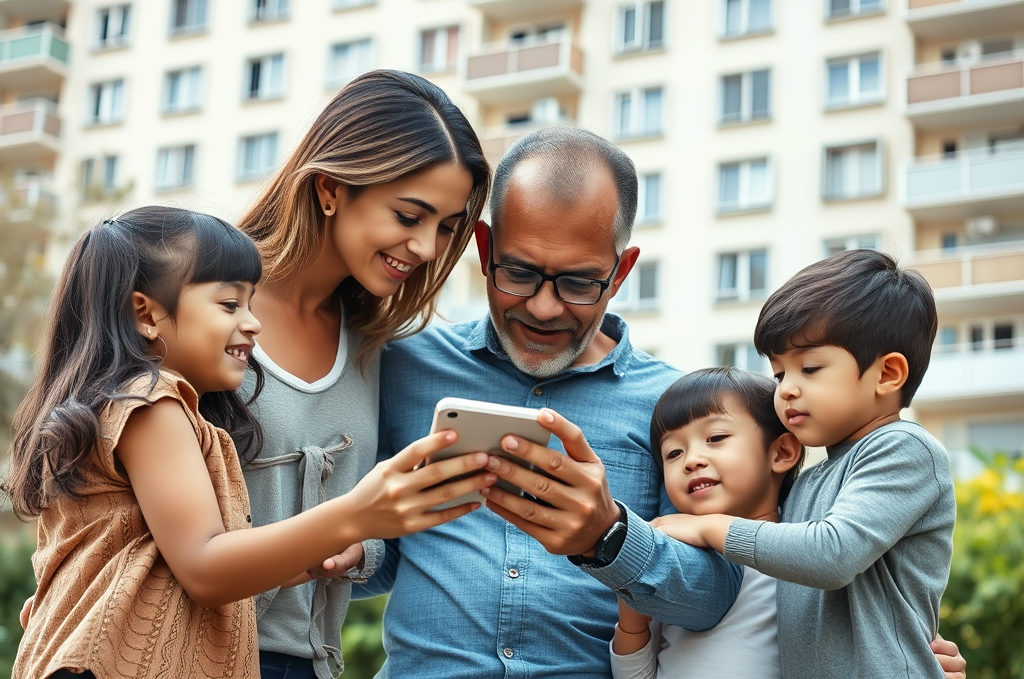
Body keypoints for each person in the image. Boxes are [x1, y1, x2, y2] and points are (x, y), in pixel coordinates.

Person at [359, 126, 968, 679]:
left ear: (621, 272)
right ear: (484, 247)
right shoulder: (405, 365)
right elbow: (387, 558)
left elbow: (717, 598)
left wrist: (609, 537)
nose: (543, 306)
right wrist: (357, 549)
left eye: (576, 282)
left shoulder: (680, 415)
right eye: (518, 272)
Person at [3, 206, 494, 679]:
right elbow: (206, 570)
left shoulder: (137, 407)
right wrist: (356, 514)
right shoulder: (153, 405)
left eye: (252, 302)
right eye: (229, 303)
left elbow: (193, 568)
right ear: (145, 313)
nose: (253, 321)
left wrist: (334, 548)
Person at [235, 69, 493, 678]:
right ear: (330, 188)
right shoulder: (207, 302)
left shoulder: (373, 345)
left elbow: (353, 530)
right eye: (409, 216)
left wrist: (361, 548)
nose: (428, 247)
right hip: (187, 656)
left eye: (447, 227)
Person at [653, 249, 956, 679]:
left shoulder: (904, 449)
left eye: (809, 368)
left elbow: (831, 554)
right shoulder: (812, 480)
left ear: (887, 374)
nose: (787, 390)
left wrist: (708, 527)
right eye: (779, 374)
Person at [611, 367, 803, 678]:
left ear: (782, 452)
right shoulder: (672, 559)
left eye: (715, 437)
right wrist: (632, 622)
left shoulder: (802, 548)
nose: (691, 460)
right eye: (673, 452)